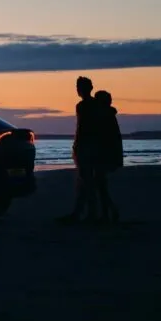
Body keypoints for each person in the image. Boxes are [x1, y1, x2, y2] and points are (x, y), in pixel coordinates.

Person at [57, 76, 102, 224]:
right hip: (94, 146)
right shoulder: (96, 105)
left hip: (85, 146)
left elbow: (82, 128)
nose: (77, 90)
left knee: (86, 181)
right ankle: (83, 212)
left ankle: (89, 213)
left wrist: (77, 145)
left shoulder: (82, 106)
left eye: (78, 87)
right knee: (86, 181)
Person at [93, 90, 123, 223]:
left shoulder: (105, 116)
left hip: (103, 154)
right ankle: (109, 211)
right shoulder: (109, 115)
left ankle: (108, 212)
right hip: (107, 153)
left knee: (100, 184)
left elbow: (108, 137)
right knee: (101, 184)